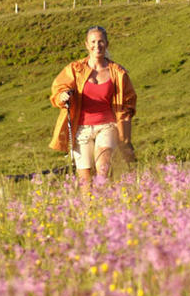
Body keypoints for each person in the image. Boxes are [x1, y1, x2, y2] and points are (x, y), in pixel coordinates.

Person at [49, 26, 137, 191]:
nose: (97, 46)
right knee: (85, 181)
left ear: (107, 44)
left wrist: (124, 129)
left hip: (107, 126)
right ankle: (90, 212)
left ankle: (105, 204)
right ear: (87, 45)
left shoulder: (118, 72)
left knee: (103, 169)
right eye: (93, 42)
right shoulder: (75, 69)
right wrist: (63, 96)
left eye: (101, 41)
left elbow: (129, 100)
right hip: (81, 129)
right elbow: (59, 90)